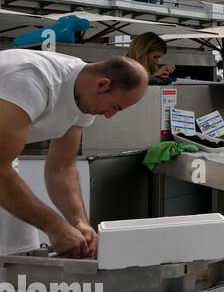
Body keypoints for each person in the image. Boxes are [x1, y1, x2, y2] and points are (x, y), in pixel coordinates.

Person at [0, 52, 148, 257]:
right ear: (102, 84)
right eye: (114, 107)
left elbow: (61, 168)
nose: (109, 115)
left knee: (20, 247)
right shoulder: (30, 79)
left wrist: (78, 221)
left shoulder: (83, 100)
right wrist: (55, 226)